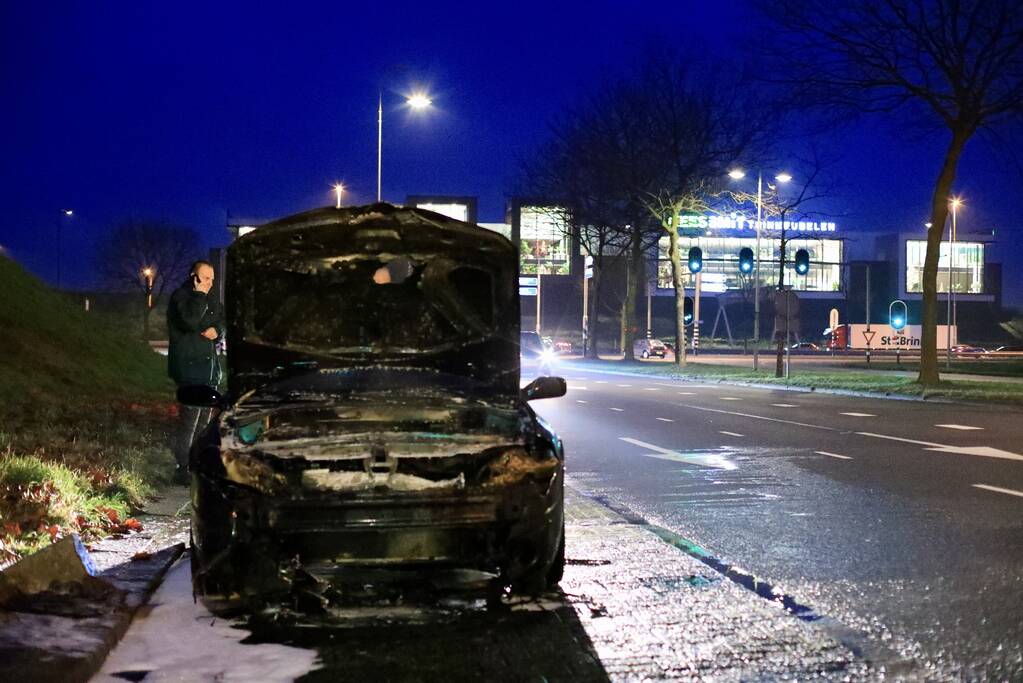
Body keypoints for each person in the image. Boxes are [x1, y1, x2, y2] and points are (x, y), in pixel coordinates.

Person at [167, 260, 223, 484]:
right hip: (189, 369)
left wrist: (217, 330)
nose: (210, 283)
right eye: (206, 278)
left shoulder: (209, 300)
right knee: (189, 423)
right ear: (194, 277)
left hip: (208, 371)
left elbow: (220, 320)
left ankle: (196, 466)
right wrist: (199, 296)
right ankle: (183, 468)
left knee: (203, 425)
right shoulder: (181, 297)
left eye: (212, 278)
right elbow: (189, 321)